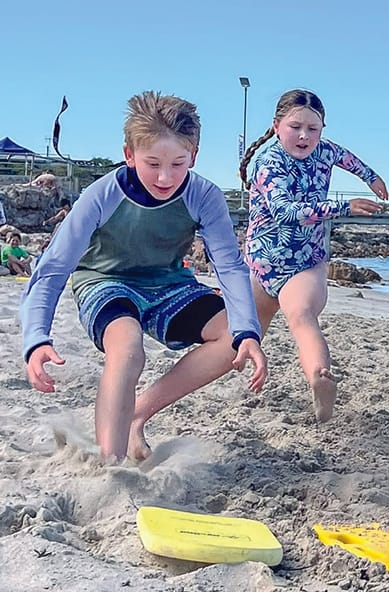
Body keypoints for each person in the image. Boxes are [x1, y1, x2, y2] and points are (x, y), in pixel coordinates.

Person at [20, 91, 267, 462]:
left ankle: (137, 413)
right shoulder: (102, 194)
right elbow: (53, 267)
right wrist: (36, 338)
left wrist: (248, 331)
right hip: (105, 282)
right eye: (152, 163)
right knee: (127, 349)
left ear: (193, 156)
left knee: (234, 337)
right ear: (129, 154)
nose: (165, 177)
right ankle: (110, 464)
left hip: (169, 285)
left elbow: (229, 266)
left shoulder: (205, 196)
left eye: (178, 164)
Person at [239, 89, 388, 423]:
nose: (304, 136)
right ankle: (233, 378)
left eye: (313, 129)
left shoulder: (325, 150)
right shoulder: (269, 162)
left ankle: (320, 376)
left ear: (322, 129)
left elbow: (347, 158)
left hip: (305, 262)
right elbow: (285, 211)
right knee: (246, 332)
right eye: (295, 127)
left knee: (302, 316)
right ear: (276, 126)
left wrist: (371, 177)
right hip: (264, 265)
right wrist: (344, 206)